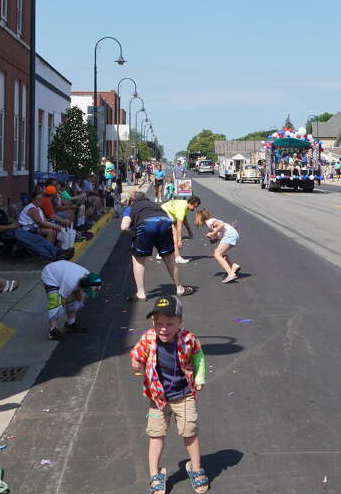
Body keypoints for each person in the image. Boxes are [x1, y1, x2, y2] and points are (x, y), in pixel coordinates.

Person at [129, 296, 210, 494]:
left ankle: (195, 467)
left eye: (169, 324)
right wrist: (136, 363)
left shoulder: (188, 339)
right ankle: (155, 474)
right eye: (159, 324)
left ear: (179, 322)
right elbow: (136, 354)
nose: (164, 328)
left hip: (184, 395)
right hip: (158, 398)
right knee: (156, 434)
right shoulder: (148, 338)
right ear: (153, 322)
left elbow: (198, 355)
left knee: (190, 431)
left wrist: (200, 378)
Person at [122, 191, 191, 301]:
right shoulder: (156, 205)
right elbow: (171, 219)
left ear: (132, 200)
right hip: (164, 223)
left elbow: (124, 227)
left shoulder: (131, 208)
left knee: (138, 260)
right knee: (169, 260)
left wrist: (133, 234)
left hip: (146, 225)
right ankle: (180, 289)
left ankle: (141, 294)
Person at [40, 259, 103, 340]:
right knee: (56, 301)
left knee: (74, 300)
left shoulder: (88, 277)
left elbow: (80, 296)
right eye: (86, 290)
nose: (86, 293)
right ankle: (53, 330)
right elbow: (63, 299)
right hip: (50, 275)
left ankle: (71, 324)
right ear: (83, 285)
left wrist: (79, 300)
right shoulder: (71, 283)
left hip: (63, 274)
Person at [198, 211, 242, 283]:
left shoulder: (209, 222)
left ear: (200, 218)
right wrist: (214, 240)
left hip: (230, 235)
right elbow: (219, 235)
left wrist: (212, 233)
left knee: (217, 254)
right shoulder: (210, 223)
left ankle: (231, 274)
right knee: (219, 253)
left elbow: (222, 224)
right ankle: (233, 266)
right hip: (233, 235)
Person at [160, 196, 201, 265]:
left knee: (172, 232)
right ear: (190, 203)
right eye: (194, 206)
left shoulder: (185, 204)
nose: (195, 209)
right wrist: (179, 241)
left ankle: (161, 253)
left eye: (196, 207)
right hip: (162, 212)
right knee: (175, 235)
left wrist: (189, 230)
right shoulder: (182, 208)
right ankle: (177, 257)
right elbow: (179, 226)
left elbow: (184, 218)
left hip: (165, 211)